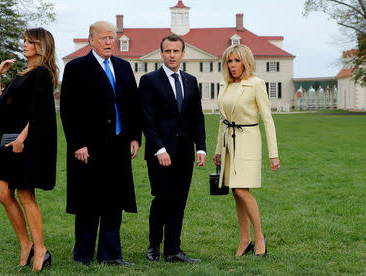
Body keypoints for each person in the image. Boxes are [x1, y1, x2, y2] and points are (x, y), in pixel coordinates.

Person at [0, 27, 58, 271]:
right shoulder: (23, 74)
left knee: (25, 194)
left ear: (41, 46)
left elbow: (40, 112)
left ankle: (40, 249)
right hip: (11, 141)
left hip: (26, 142)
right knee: (3, 193)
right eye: (24, 41)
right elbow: (1, 106)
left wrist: (22, 139)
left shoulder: (42, 74)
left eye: (29, 42)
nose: (24, 45)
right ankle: (26, 244)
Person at [60, 21, 141, 266]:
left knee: (114, 200)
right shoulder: (76, 68)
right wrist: (78, 143)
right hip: (89, 147)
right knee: (88, 201)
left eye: (111, 38)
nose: (109, 42)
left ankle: (111, 254)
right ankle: (83, 254)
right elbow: (68, 110)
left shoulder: (124, 67)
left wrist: (135, 136)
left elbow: (131, 105)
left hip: (118, 144)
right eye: (104, 38)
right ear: (91, 40)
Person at [138, 34, 206, 263]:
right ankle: (154, 246)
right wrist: (159, 149)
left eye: (176, 51)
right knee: (162, 199)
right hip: (160, 154)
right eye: (168, 51)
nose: (172, 55)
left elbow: (197, 117)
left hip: (185, 152)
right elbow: (147, 118)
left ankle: (173, 250)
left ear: (183, 53)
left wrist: (201, 148)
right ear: (161, 53)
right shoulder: (149, 80)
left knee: (179, 201)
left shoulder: (190, 80)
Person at [213, 44, 280, 256]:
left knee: (242, 190)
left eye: (237, 60)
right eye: (229, 61)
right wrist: (217, 149)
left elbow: (268, 119)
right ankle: (245, 239)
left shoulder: (256, 84)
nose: (233, 65)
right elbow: (223, 120)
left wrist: (273, 153)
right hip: (228, 143)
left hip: (249, 140)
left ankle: (260, 237)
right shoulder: (225, 84)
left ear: (246, 61)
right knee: (235, 192)